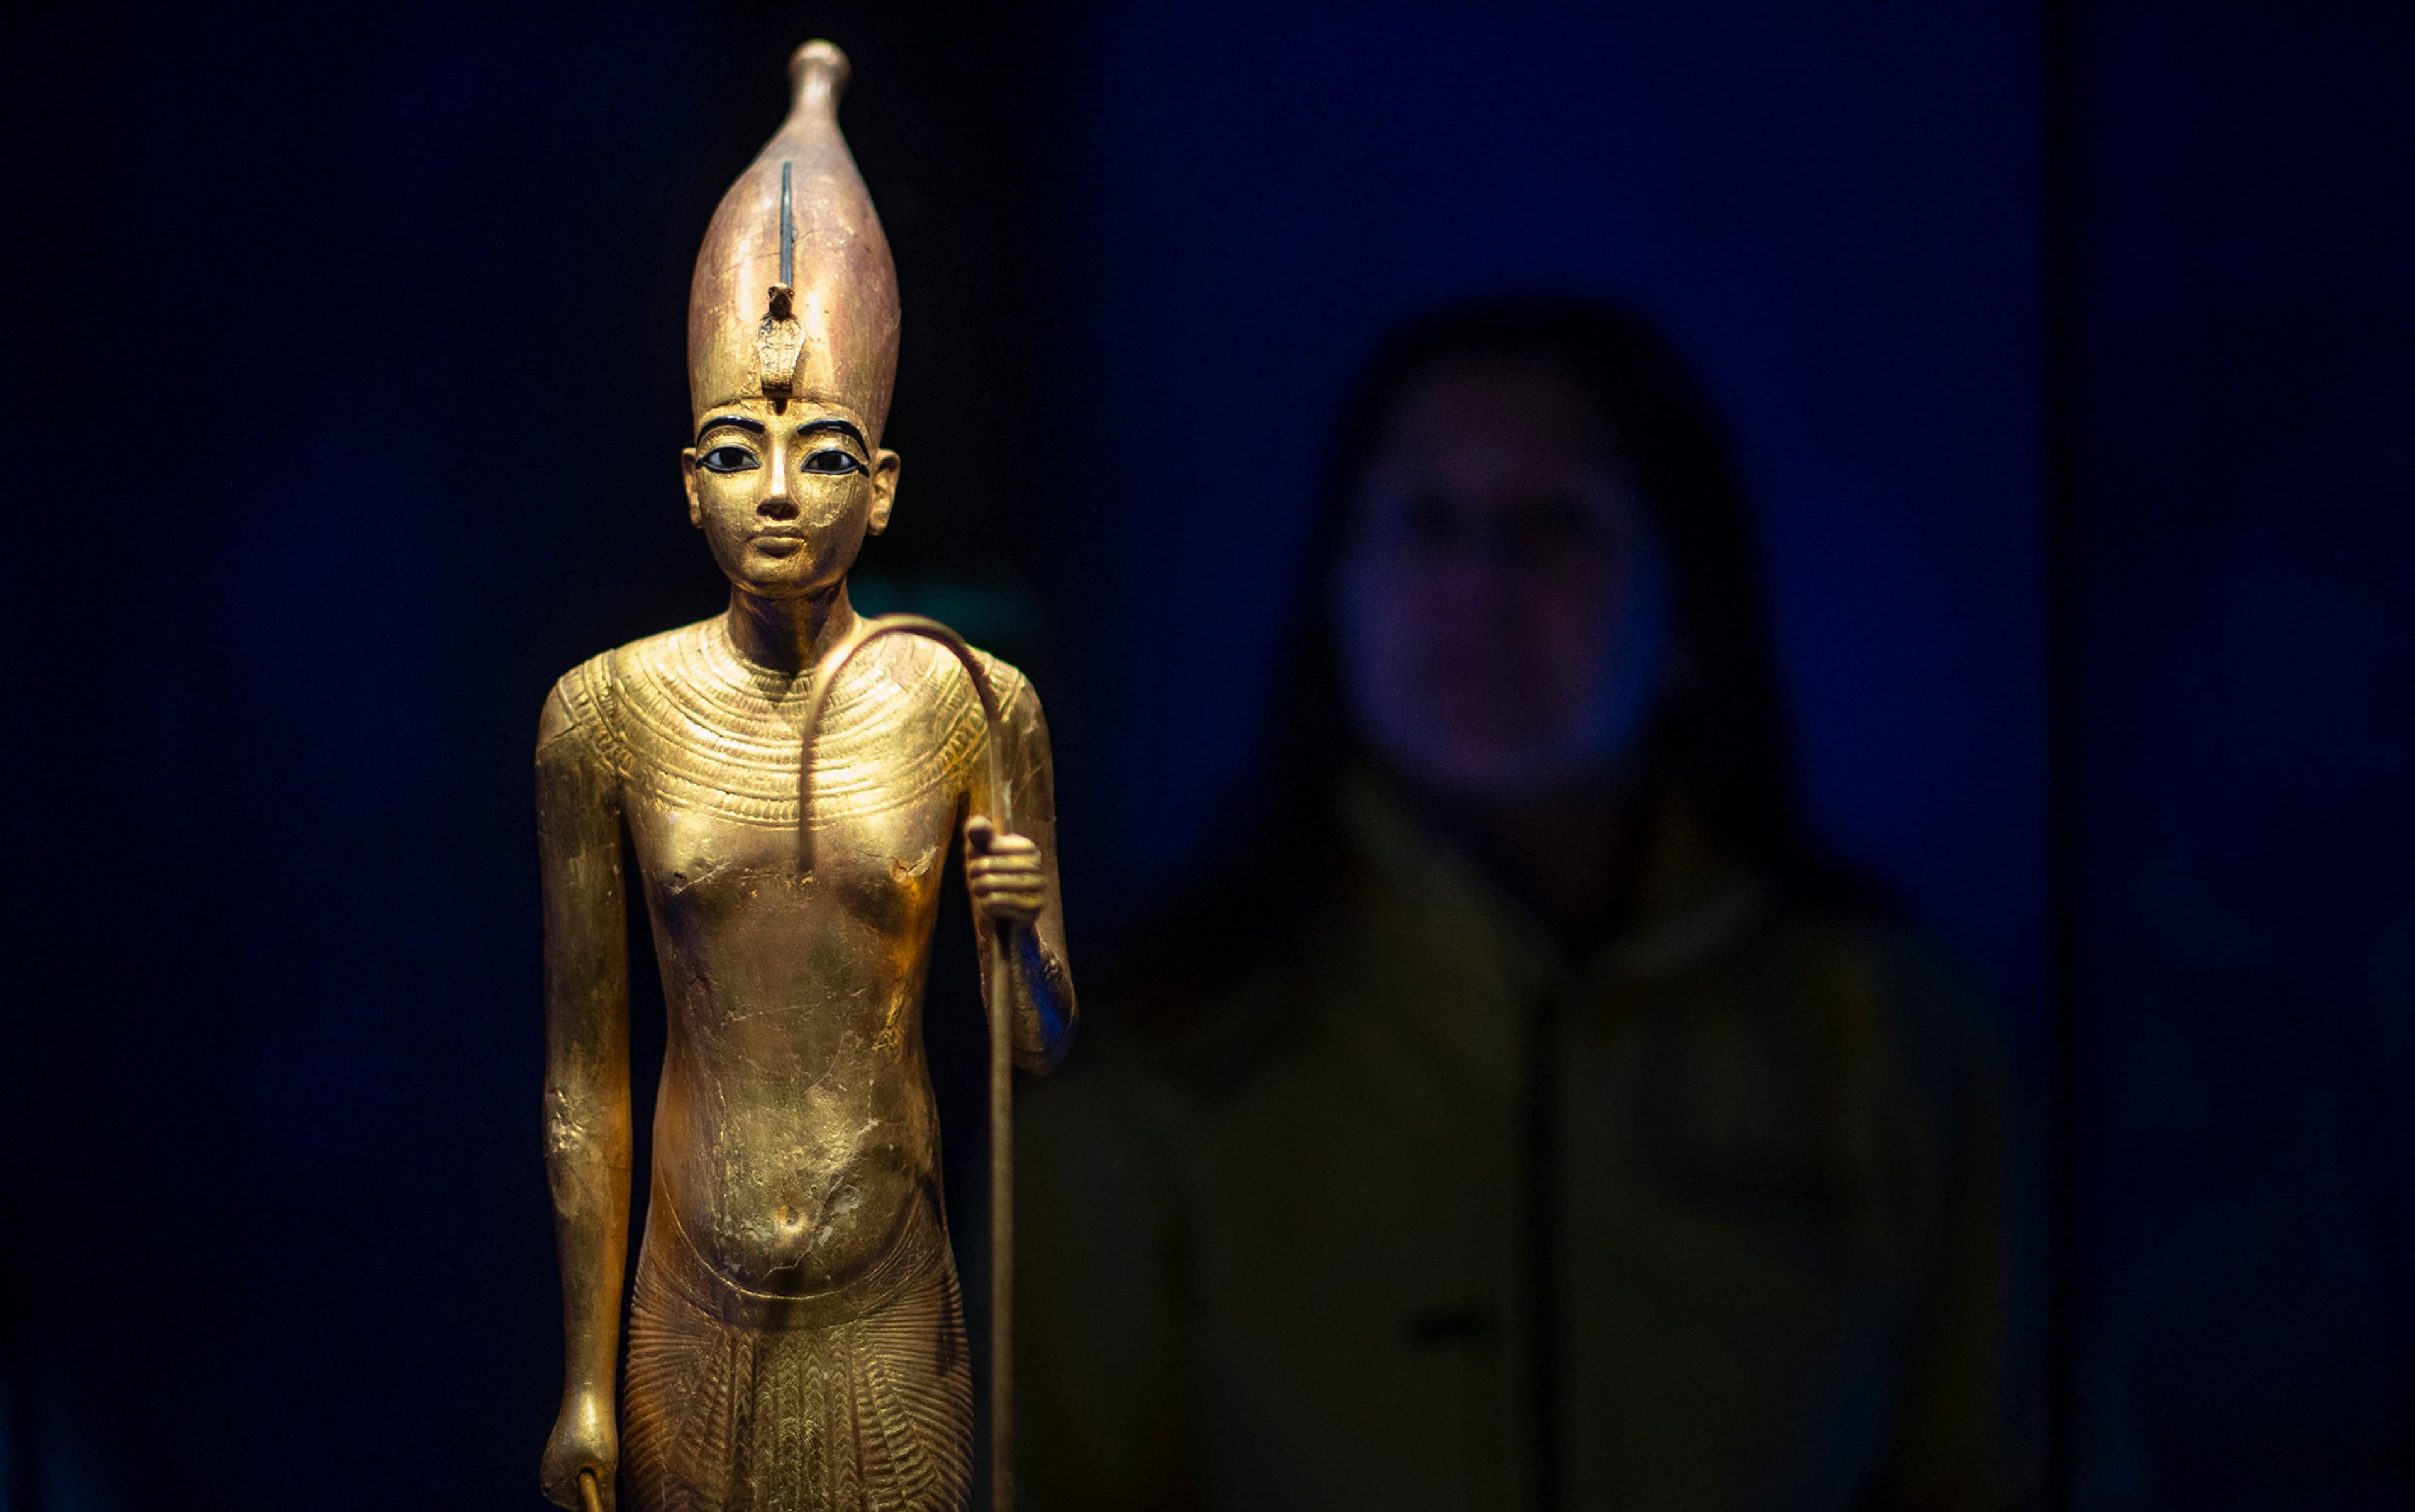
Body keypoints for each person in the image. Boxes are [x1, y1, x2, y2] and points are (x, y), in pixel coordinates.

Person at [1016, 299, 2012, 1510]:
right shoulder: (1159, 1049)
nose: (1478, 578)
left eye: (1556, 522)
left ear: (1690, 606)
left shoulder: (1887, 1039)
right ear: (1340, 592)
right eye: (1425, 519)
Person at [535, 43, 1074, 1512]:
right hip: (688, 1304)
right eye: (738, 449)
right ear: (688, 480)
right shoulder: (607, 714)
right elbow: (588, 1072)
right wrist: (585, 1376)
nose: (779, 491)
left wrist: (1020, 930)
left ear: (883, 486)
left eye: (823, 452)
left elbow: (1038, 1045)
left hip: (889, 1305)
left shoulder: (971, 702)